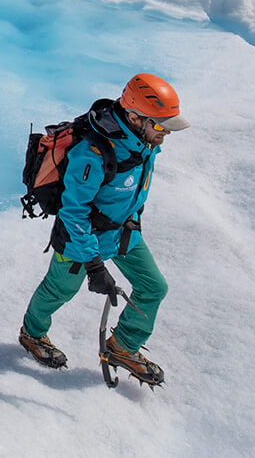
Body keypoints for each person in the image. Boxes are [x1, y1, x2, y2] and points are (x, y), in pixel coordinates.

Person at [17, 73, 188, 384]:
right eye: (161, 126)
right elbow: (73, 213)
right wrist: (94, 266)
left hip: (124, 232)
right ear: (135, 117)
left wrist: (133, 220)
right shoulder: (93, 153)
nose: (166, 134)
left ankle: (123, 347)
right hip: (80, 239)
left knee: (154, 287)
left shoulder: (143, 141)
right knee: (59, 290)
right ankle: (32, 333)